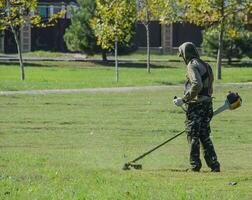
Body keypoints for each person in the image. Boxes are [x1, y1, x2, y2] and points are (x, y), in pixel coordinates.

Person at [173, 42, 220, 172]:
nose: (182, 58)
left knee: (193, 135)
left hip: (197, 106)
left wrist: (184, 99)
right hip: (207, 104)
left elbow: (197, 84)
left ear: (185, 54)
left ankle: (195, 165)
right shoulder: (206, 64)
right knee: (205, 135)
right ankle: (214, 165)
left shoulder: (192, 65)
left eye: (181, 55)